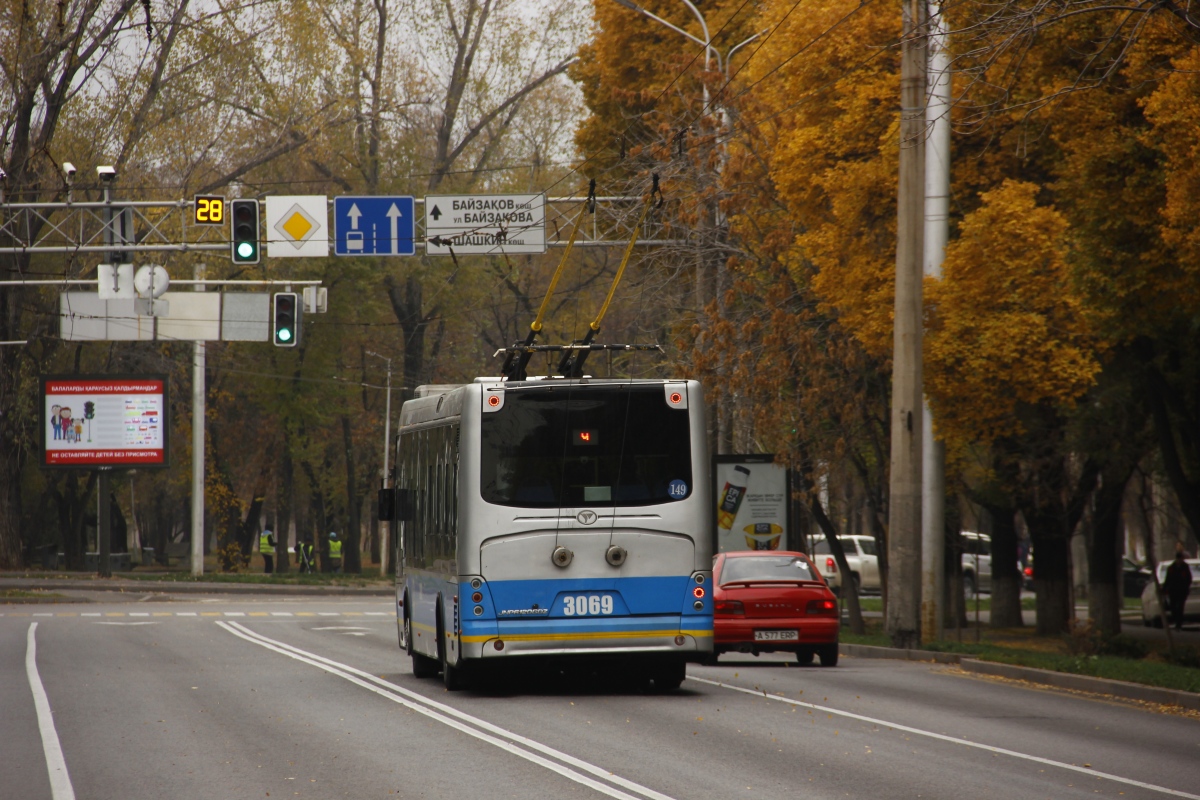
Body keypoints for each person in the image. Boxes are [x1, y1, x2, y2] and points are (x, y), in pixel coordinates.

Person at [1163, 544, 1193, 631]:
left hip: (1182, 591)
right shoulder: (1171, 568)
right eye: (1178, 559)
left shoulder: (1185, 567)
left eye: (1181, 559)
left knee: (1180, 607)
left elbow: (1189, 578)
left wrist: (1186, 586)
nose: (1179, 561)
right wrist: (1165, 589)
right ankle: (1176, 619)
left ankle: (1179, 624)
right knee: (1173, 606)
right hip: (1173, 590)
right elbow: (1167, 579)